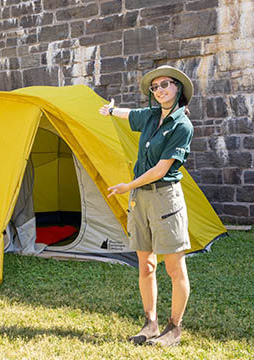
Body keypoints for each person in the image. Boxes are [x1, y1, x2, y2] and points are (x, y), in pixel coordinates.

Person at [98, 65, 194, 347]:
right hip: (141, 199)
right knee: (146, 265)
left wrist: (127, 186)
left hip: (164, 197)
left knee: (174, 268)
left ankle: (174, 328)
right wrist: (111, 110)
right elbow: (130, 114)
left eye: (165, 84)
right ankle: (150, 324)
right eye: (155, 87)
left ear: (177, 88)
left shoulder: (182, 125)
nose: (160, 89)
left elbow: (161, 170)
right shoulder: (152, 116)